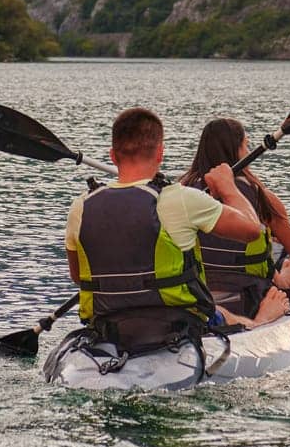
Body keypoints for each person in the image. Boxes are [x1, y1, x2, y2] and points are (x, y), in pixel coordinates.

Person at [65, 106, 264, 353]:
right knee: (229, 316)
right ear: (160, 153)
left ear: (113, 156)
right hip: (177, 325)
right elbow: (252, 230)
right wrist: (228, 188)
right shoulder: (182, 200)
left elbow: (78, 276)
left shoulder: (81, 207)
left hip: (108, 326)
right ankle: (261, 322)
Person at [182, 117, 290, 328]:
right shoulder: (263, 199)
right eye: (245, 145)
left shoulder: (182, 192)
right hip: (249, 299)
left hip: (196, 295)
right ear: (240, 150)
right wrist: (284, 278)